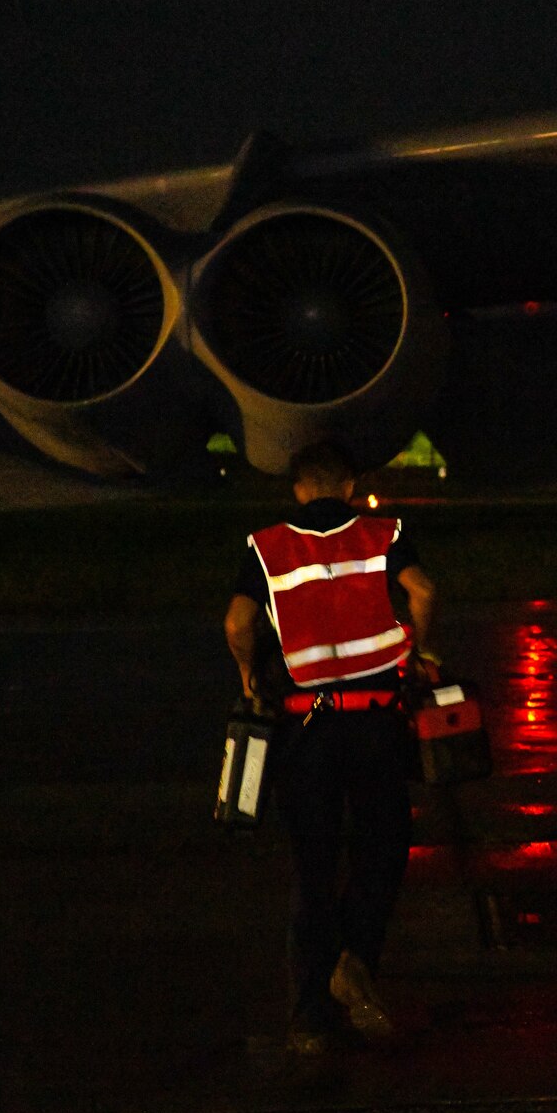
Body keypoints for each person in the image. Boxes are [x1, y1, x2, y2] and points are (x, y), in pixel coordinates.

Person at [223, 441, 439, 1054]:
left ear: (296, 489)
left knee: (311, 869)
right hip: (374, 724)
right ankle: (355, 959)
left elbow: (239, 624)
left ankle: (309, 1019)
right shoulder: (383, 532)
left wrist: (246, 676)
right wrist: (416, 652)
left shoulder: (265, 546)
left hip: (304, 731)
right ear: (349, 486)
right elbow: (423, 593)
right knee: (386, 844)